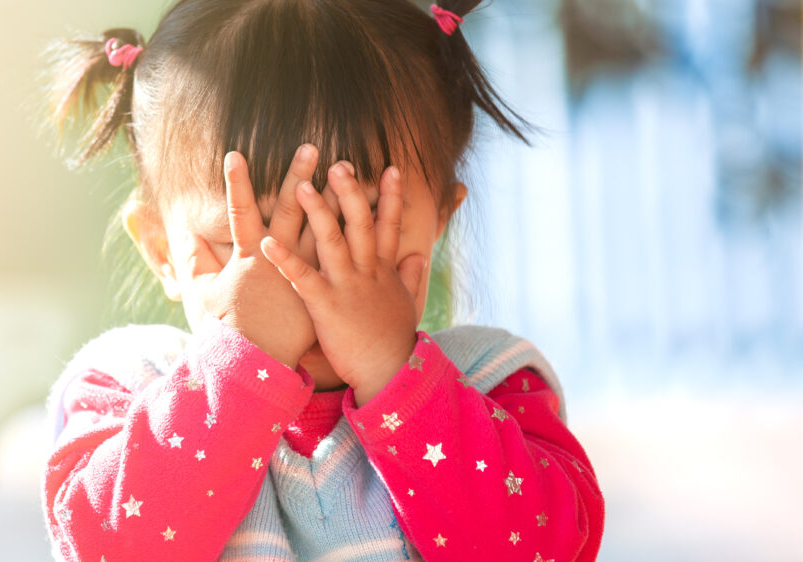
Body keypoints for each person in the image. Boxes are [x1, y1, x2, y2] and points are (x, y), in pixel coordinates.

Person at [41, 0, 605, 560]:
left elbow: (545, 548)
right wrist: (242, 364)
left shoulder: (490, 384)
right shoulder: (127, 388)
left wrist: (395, 378)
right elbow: (107, 550)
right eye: (248, 247)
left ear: (438, 222)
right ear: (162, 248)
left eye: (357, 236)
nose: (304, 290)